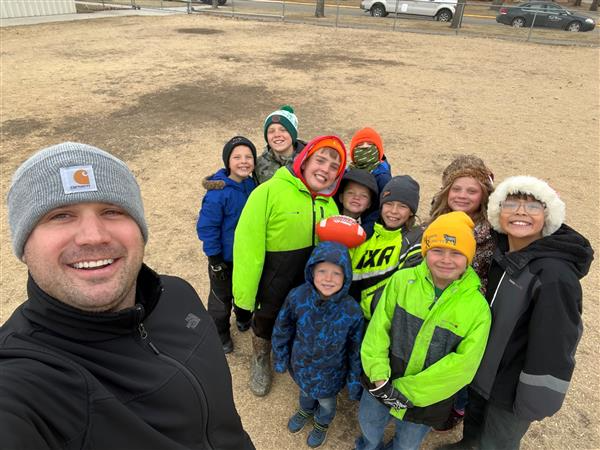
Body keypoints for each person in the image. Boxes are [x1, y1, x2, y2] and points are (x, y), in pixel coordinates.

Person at [0, 142, 254, 449]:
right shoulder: (23, 383)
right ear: (23, 245)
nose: (93, 235)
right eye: (60, 216)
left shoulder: (178, 294)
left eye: (112, 210)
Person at [438, 176, 594, 450]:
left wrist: (535, 396)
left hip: (512, 386)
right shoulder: (502, 254)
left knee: (498, 441)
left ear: (548, 216)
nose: (521, 211)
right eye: (511, 204)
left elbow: (556, 344)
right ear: (498, 211)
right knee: (475, 426)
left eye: (533, 206)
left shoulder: (554, 275)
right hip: (483, 368)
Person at [356, 211, 492, 450]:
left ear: (469, 257)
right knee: (369, 426)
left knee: (408, 444)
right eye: (437, 250)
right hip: (381, 382)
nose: (445, 260)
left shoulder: (477, 308)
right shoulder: (401, 281)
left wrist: (407, 392)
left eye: (456, 253)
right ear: (426, 251)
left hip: (427, 400)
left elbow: (464, 366)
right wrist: (378, 375)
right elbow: (378, 329)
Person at [233, 135, 347, 397]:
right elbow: (247, 248)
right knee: (265, 319)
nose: (325, 169)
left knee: (297, 318)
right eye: (320, 160)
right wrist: (244, 297)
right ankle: (261, 357)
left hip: (305, 283)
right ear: (304, 161)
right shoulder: (268, 192)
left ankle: (289, 350)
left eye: (333, 167)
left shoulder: (329, 205)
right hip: (272, 280)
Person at [272, 241, 364, 448]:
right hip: (302, 366)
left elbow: (355, 350)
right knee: (304, 393)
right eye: (322, 271)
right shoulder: (297, 296)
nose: (328, 279)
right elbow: (282, 327)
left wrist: (353, 381)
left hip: (331, 375)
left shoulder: (352, 311)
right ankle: (305, 410)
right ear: (311, 271)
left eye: (336, 273)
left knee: (327, 403)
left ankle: (322, 423)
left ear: (346, 276)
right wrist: (280, 357)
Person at [429, 154, 495, 431]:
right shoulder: (438, 219)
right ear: (446, 190)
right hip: (435, 299)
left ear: (484, 195)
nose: (463, 195)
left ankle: (458, 406)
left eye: (472, 190)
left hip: (469, 309)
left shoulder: (492, 230)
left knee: (462, 361)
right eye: (456, 188)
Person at [196, 136, 257, 354]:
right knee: (221, 299)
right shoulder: (218, 193)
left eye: (249, 156)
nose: (243, 161)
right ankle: (220, 331)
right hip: (223, 258)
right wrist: (214, 259)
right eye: (237, 157)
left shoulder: (252, 185)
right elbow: (208, 227)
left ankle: (242, 317)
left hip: (246, 255)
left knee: (245, 289)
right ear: (227, 162)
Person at [349, 175, 423, 320]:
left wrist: (365, 308)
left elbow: (405, 288)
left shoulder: (413, 240)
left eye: (402, 206)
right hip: (351, 318)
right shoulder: (365, 235)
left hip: (384, 322)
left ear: (411, 212)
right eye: (389, 204)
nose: (394, 211)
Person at [255, 105, 306, 183]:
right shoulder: (259, 164)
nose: (277, 135)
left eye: (283, 130)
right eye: (271, 131)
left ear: (293, 134)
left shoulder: (308, 160)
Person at [335, 168, 380, 238]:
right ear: (341, 197)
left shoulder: (369, 230)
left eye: (364, 196)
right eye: (351, 193)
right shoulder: (329, 217)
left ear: (369, 204)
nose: (356, 197)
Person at [348, 127, 392, 193]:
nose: (365, 146)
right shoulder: (347, 172)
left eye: (370, 144)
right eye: (360, 144)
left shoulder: (383, 178)